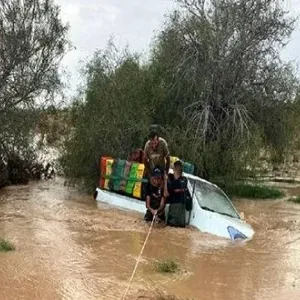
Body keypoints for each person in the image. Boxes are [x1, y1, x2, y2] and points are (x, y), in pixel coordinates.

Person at [165, 160, 190, 227]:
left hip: (174, 216)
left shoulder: (174, 183)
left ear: (174, 169)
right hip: (182, 218)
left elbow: (166, 194)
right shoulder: (185, 181)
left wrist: (165, 181)